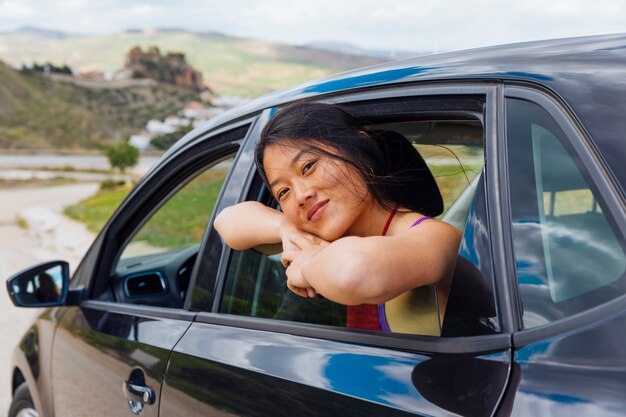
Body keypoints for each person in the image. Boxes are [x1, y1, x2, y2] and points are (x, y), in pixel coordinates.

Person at [214, 102, 461, 335]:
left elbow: (353, 273)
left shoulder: (435, 237)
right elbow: (226, 222)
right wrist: (285, 227)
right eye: (284, 192)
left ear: (360, 153)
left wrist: (306, 267)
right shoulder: (316, 238)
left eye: (308, 166)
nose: (300, 195)